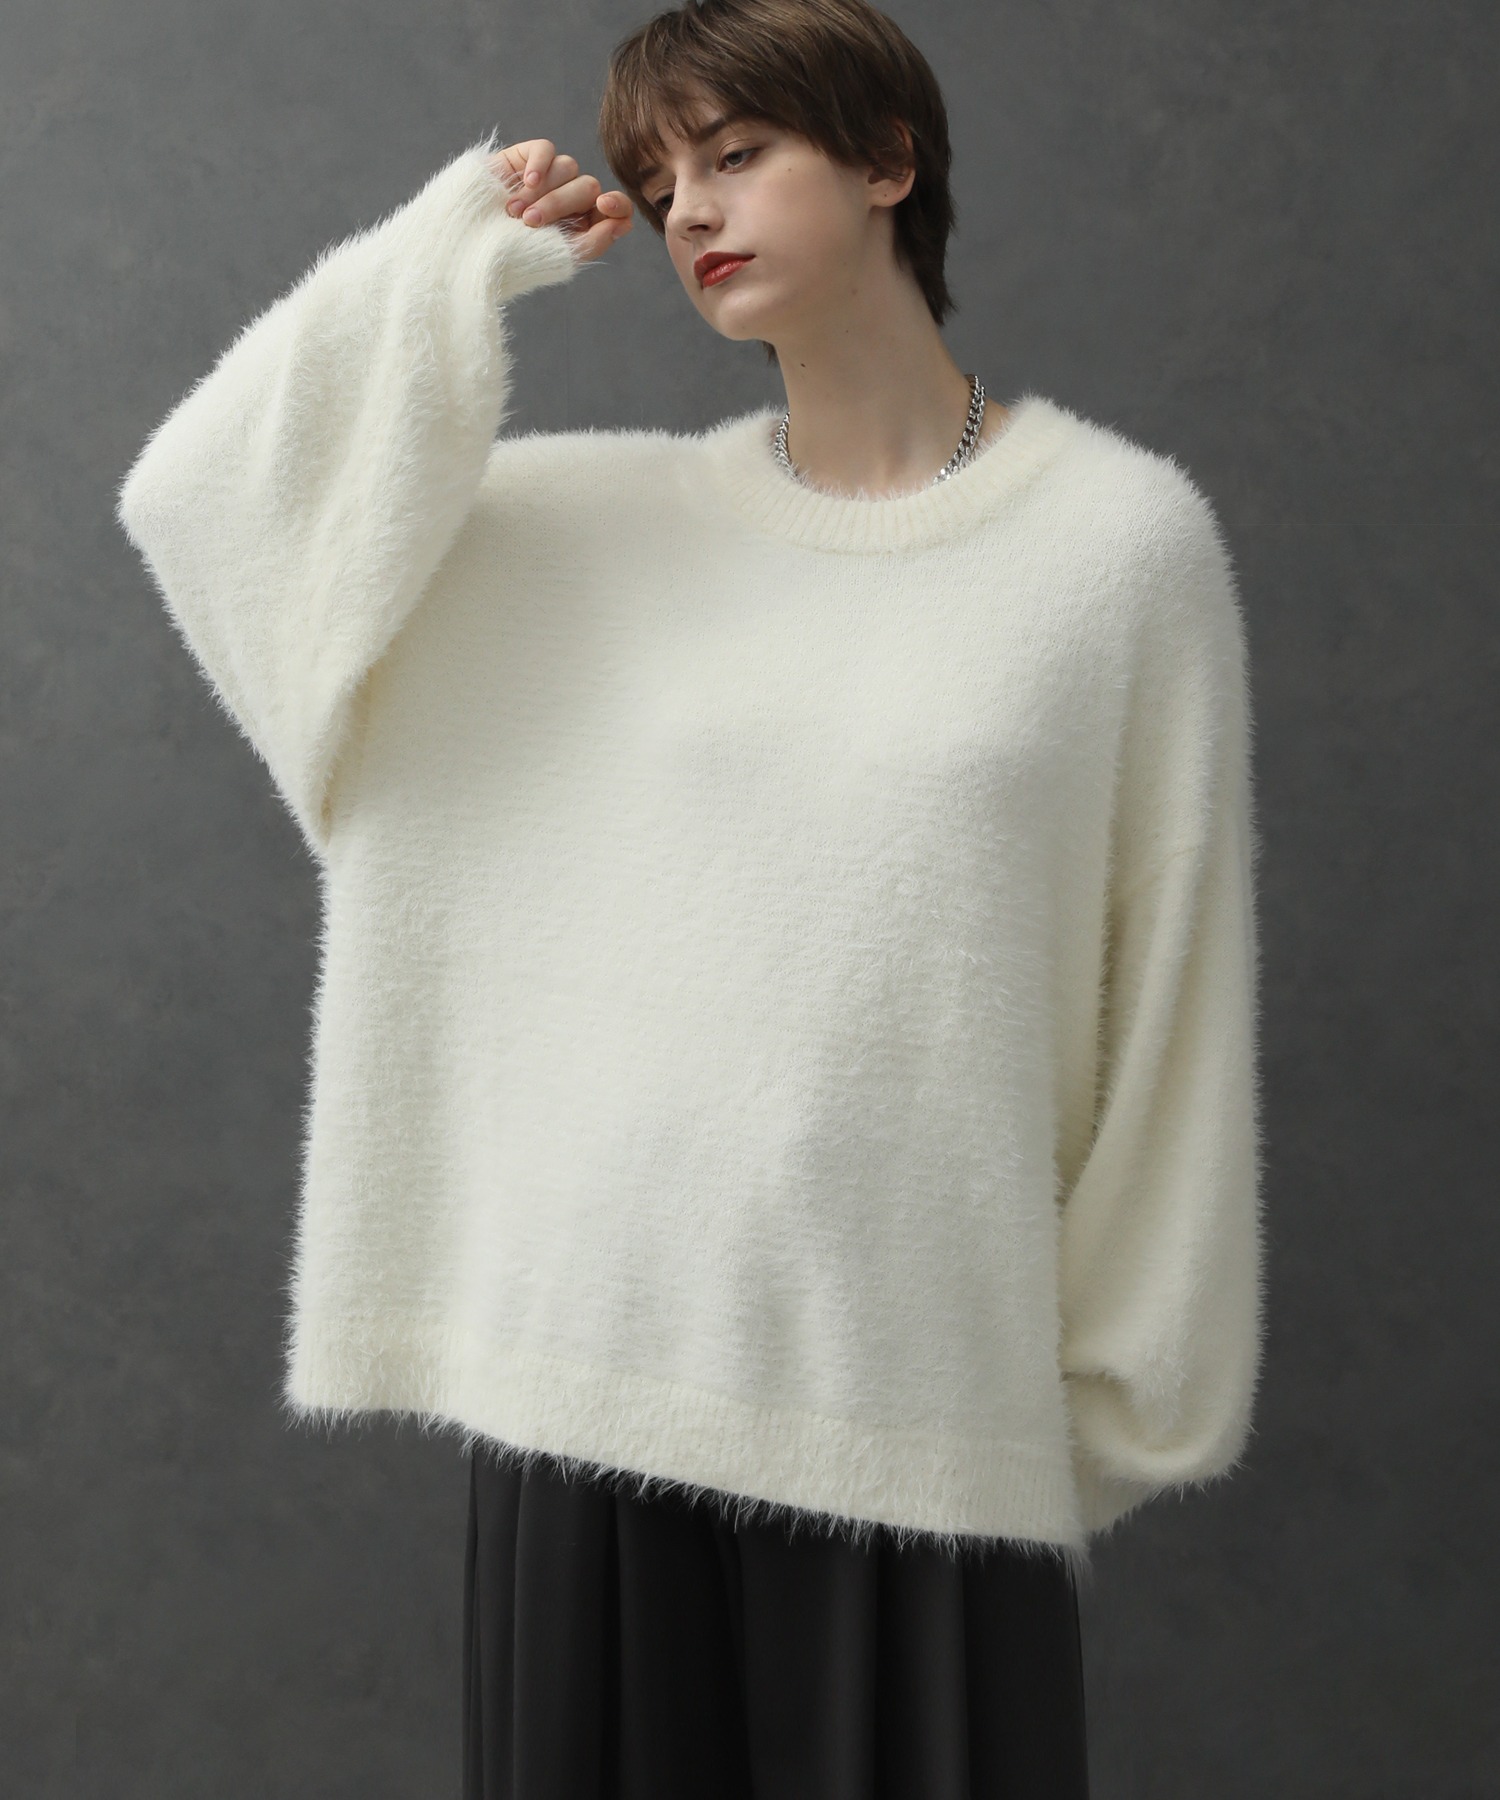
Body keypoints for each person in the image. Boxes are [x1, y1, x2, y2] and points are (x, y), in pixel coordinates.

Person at [115, 1, 1263, 1794]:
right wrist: (447, 261)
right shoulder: (586, 533)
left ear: (887, 159)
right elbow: (212, 508)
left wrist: (1111, 1407)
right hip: (591, 1395)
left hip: (919, 1410)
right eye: (660, 185)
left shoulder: (1118, 546)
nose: (691, 211)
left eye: (737, 155)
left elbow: (1171, 999)